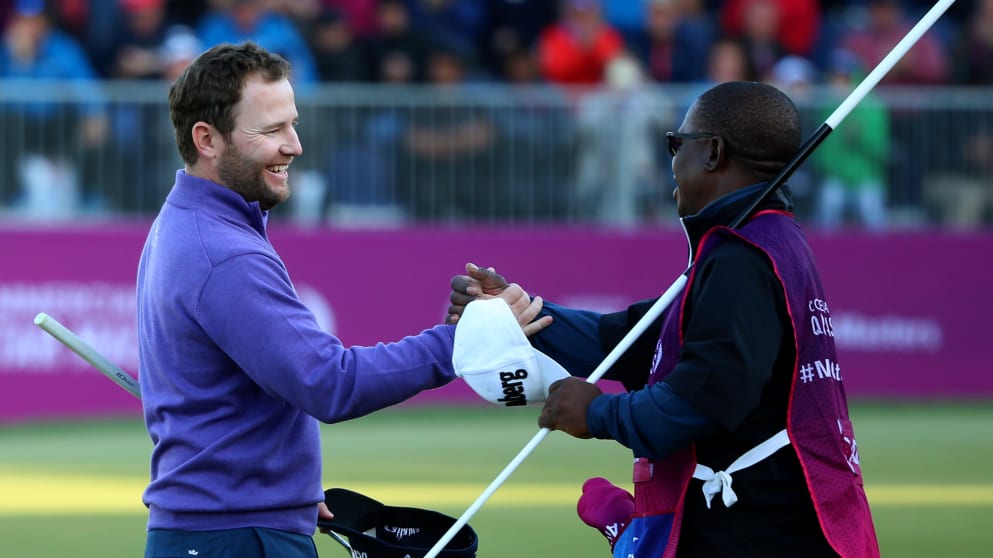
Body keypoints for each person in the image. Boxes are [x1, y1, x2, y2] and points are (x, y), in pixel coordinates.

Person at [137, 41, 540, 557]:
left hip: (234, 524)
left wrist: (283, 492)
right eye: (271, 130)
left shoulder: (188, 223)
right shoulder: (223, 252)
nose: (294, 145)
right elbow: (329, 383)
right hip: (235, 537)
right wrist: (462, 341)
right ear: (206, 139)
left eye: (292, 124)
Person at [448, 81, 879, 556]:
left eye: (677, 144)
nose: (672, 161)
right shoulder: (761, 242)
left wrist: (596, 413)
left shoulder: (744, 256)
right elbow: (629, 341)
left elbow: (704, 398)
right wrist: (521, 313)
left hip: (762, 529)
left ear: (712, 152)